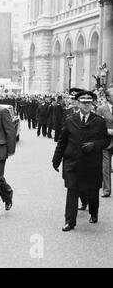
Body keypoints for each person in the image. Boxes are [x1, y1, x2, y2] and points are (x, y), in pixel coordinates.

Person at [52, 91, 109, 232]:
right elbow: (62, 141)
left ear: (92, 104)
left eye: (89, 103)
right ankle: (69, 221)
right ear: (78, 103)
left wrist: (94, 145)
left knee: (93, 190)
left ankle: (94, 213)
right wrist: (56, 159)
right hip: (73, 162)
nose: (86, 105)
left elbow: (106, 141)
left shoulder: (99, 121)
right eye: (83, 103)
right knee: (72, 190)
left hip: (92, 163)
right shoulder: (70, 120)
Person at [95, 88, 113, 198]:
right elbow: (97, 127)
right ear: (108, 97)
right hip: (107, 142)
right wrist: (107, 131)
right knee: (106, 168)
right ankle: (106, 190)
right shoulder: (101, 109)